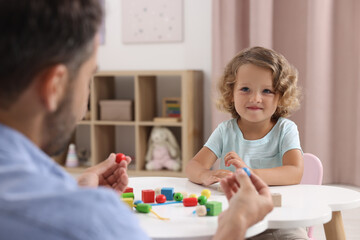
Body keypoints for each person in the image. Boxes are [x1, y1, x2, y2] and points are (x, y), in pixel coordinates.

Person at [0, 1, 272, 239]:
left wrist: (78, 190)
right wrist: (234, 225)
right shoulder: (88, 222)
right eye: (89, 77)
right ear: (55, 86)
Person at [186, 46, 308, 239]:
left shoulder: (286, 129)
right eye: (245, 89)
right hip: (235, 218)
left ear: (281, 96)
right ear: (231, 93)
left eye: (267, 90)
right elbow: (194, 165)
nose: (255, 98)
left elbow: (294, 172)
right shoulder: (225, 130)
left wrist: (249, 174)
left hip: (279, 218)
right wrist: (205, 175)